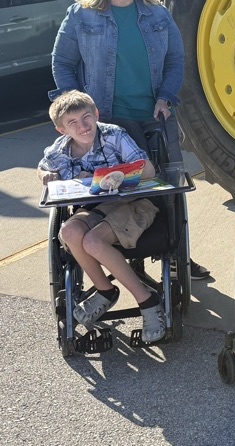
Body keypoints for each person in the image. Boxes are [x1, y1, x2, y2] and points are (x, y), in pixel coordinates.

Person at [49, 0, 210, 281]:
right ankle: (128, 257)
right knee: (109, 192)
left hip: (154, 118)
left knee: (169, 190)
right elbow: (63, 61)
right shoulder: (82, 15)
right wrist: (75, 109)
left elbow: (175, 60)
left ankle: (180, 253)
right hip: (104, 120)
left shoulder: (158, 14)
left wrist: (166, 98)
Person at [37, 90, 168, 342]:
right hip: (93, 209)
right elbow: (43, 166)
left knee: (92, 241)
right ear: (62, 130)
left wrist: (111, 175)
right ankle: (105, 290)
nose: (83, 127)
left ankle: (148, 301)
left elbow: (149, 170)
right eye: (73, 123)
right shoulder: (61, 149)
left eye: (87, 118)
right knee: (69, 232)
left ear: (96, 114)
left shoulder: (114, 135)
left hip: (134, 204)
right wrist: (44, 175)